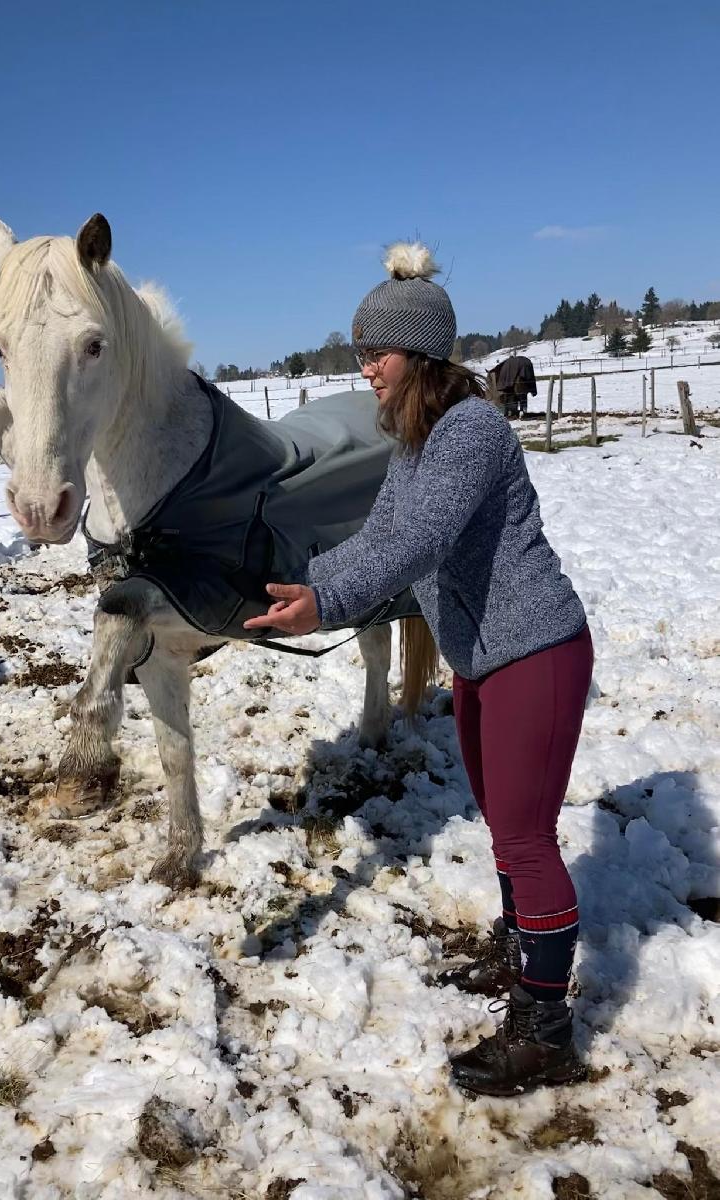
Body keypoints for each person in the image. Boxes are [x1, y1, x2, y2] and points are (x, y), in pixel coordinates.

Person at [244, 243, 593, 1097]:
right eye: (359, 352)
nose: (363, 369)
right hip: (482, 659)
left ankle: (545, 1032)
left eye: (377, 353)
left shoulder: (470, 431)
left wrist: (328, 604)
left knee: (523, 836)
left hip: (536, 652)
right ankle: (525, 971)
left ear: (421, 355)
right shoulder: (415, 443)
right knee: (505, 826)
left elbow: (416, 544)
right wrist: (312, 582)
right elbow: (375, 539)